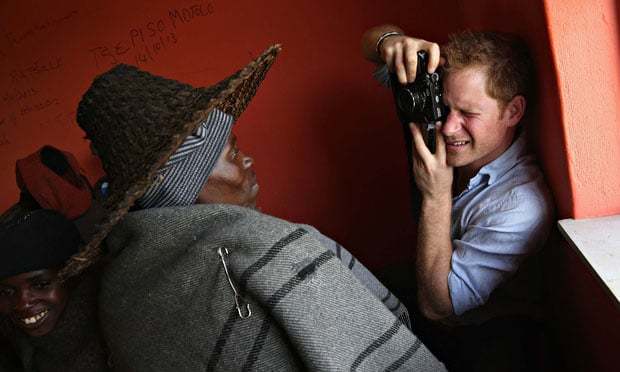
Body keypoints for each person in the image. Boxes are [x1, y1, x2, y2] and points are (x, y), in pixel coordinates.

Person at [61, 44, 446, 370]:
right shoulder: (276, 250)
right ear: (185, 183)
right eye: (231, 151)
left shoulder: (116, 290)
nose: (248, 161)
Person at [362, 25, 555, 371]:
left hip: (487, 336)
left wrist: (435, 197)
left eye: (468, 114)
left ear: (512, 112)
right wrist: (391, 42)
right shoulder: (442, 118)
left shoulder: (522, 204)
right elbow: (370, 44)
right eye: (445, 107)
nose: (448, 127)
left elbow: (439, 306)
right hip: (428, 288)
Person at [0, 209, 109, 371]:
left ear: (75, 274)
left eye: (41, 285)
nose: (22, 304)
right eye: (6, 292)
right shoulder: (11, 336)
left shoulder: (112, 326)